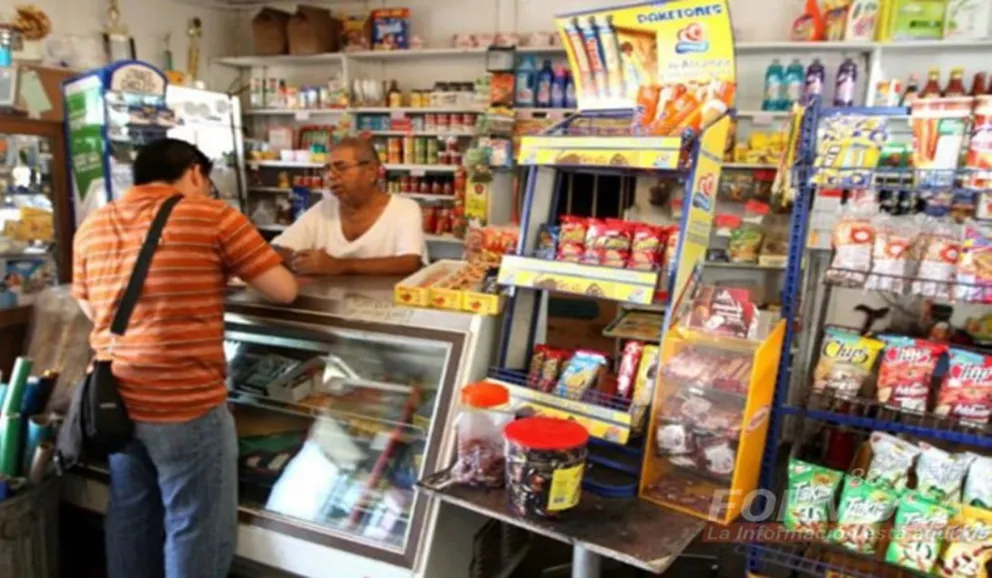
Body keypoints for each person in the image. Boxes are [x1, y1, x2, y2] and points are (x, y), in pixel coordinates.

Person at [71, 138, 298, 578]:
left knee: (133, 517)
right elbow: (283, 290)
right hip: (184, 401)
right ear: (194, 172)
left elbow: (91, 307)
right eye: (208, 182)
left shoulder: (94, 224)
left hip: (113, 399)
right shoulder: (212, 216)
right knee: (196, 526)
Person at [272, 137, 425, 276]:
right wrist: (301, 261)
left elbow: (410, 262)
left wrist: (339, 266)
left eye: (341, 167)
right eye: (327, 169)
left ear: (371, 171)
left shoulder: (404, 209)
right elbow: (276, 248)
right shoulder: (322, 210)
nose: (331, 176)